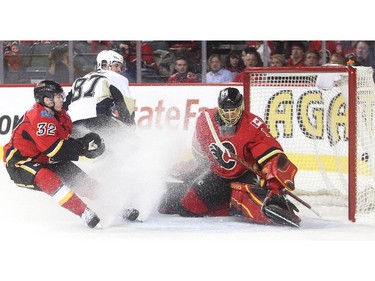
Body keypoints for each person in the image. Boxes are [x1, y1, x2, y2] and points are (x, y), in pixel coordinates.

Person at [159, 87, 301, 227]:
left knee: (248, 203)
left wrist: (274, 186)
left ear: (241, 107)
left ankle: (257, 203)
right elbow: (199, 151)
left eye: (233, 111)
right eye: (225, 111)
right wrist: (199, 170)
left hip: (245, 174)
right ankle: (225, 204)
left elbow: (272, 155)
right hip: (217, 174)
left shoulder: (253, 125)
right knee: (189, 207)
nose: (229, 116)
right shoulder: (205, 120)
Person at [2, 80, 105, 228]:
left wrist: (88, 147)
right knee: (47, 178)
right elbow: (54, 150)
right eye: (58, 96)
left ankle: (119, 205)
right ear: (46, 99)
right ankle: (84, 212)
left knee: (83, 182)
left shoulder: (61, 115)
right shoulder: (38, 116)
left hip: (47, 160)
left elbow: (64, 142)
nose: (62, 99)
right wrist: (82, 147)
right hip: (21, 164)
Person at [64, 49, 135, 137]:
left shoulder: (79, 80)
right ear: (105, 65)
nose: (119, 70)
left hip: (73, 124)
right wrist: (131, 128)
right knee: (130, 141)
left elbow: (65, 106)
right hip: (97, 120)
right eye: (116, 65)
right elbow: (126, 106)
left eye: (120, 67)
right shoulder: (115, 77)